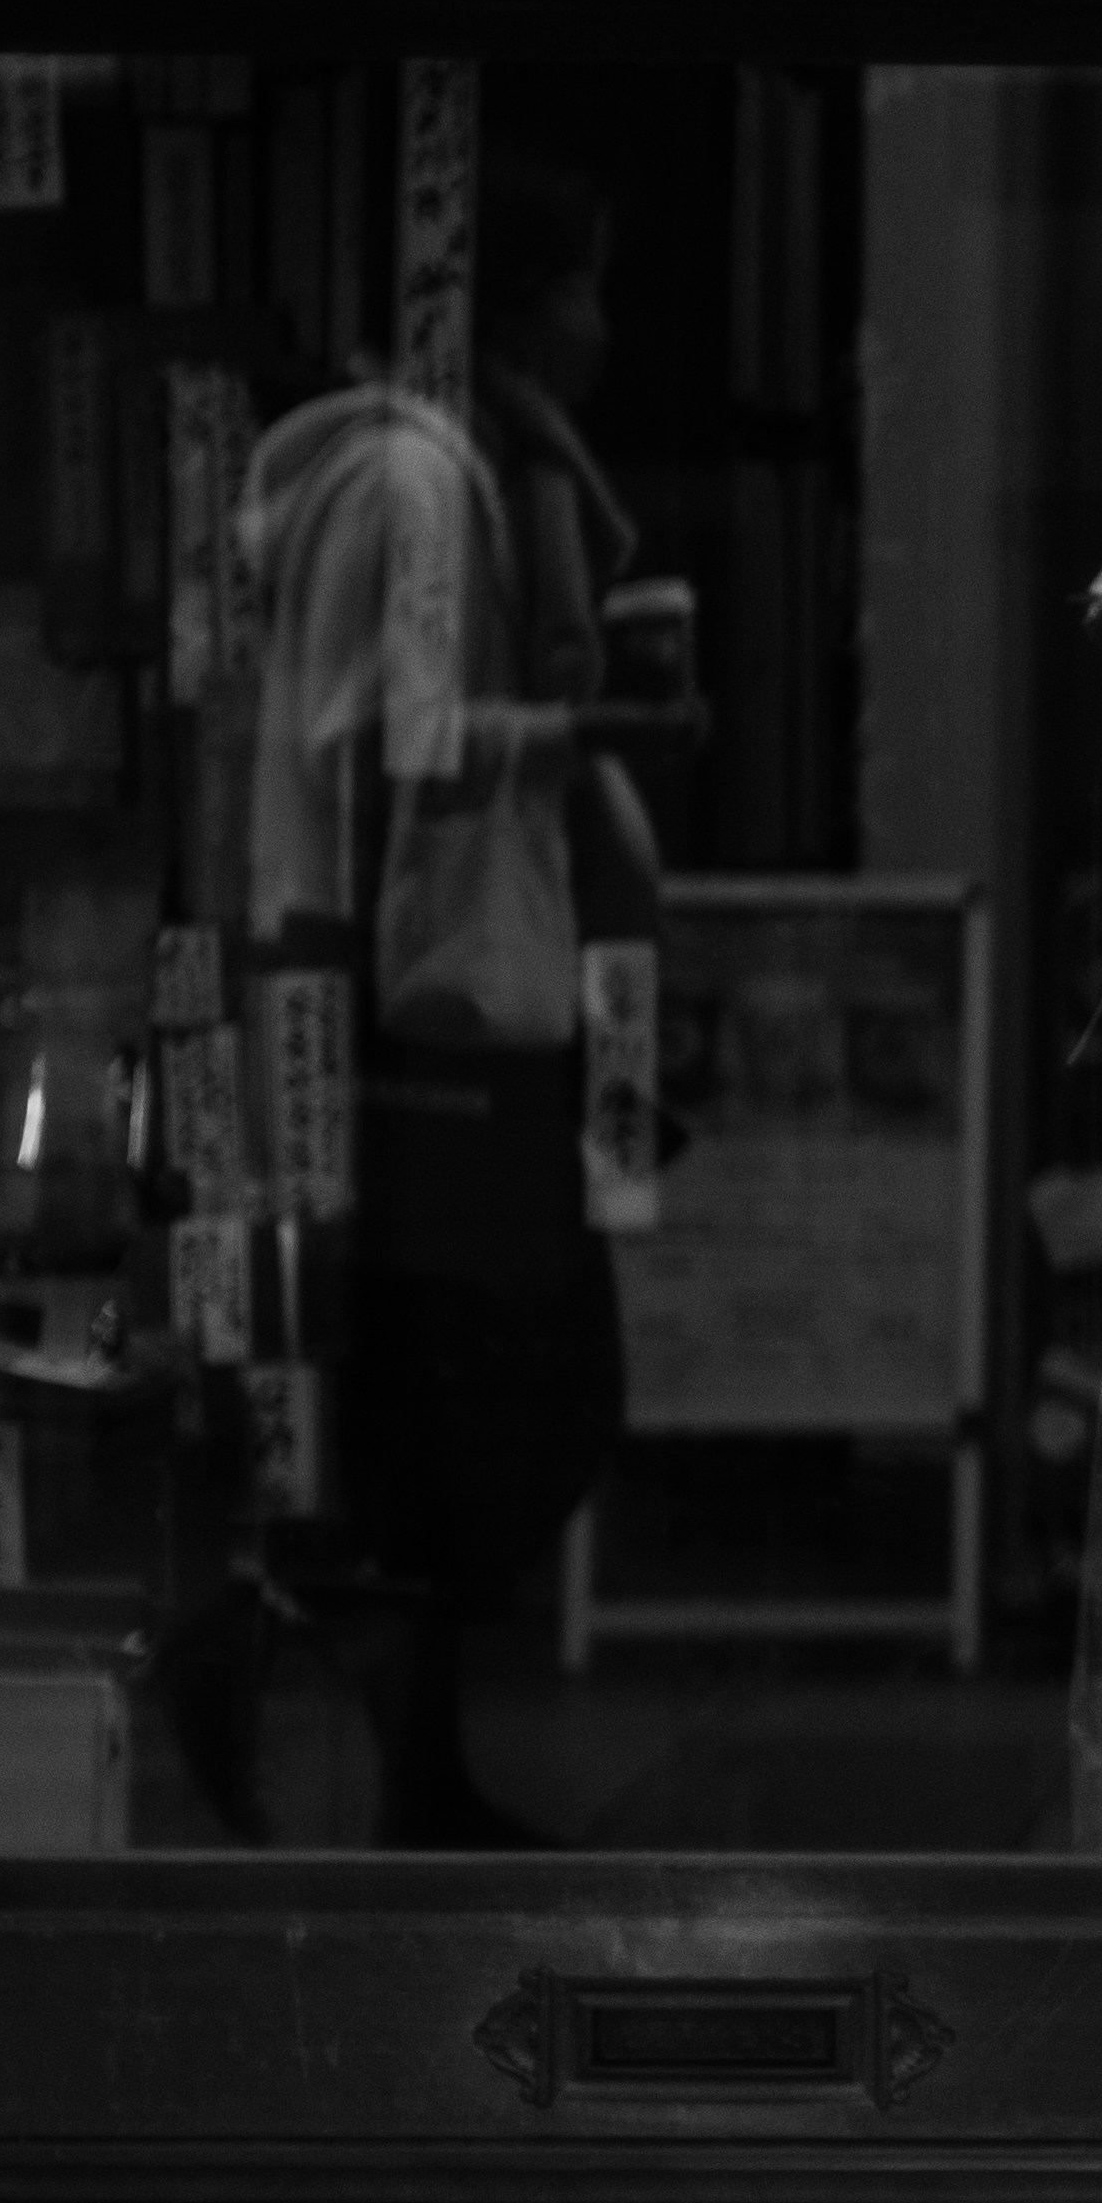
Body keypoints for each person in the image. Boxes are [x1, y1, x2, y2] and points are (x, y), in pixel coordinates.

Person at [200, 154, 685, 1849]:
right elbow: (389, 745)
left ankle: (411, 1775)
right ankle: (369, 1771)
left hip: (371, 977)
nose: (600, 324)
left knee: (426, 1388)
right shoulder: (419, 480)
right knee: (458, 1388)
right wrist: (585, 741)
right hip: (398, 994)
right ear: (523, 303)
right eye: (586, 285)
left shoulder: (444, 467)